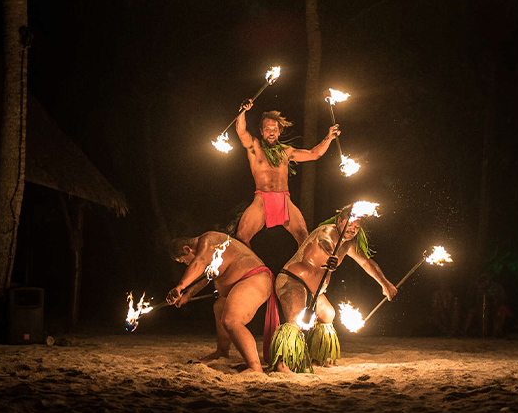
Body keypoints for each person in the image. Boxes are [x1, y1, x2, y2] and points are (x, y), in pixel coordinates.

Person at [268, 205, 398, 373]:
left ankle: (319, 357)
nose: (353, 229)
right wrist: (331, 256)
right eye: (349, 224)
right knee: (296, 318)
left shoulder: (349, 245)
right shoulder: (327, 231)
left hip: (315, 291)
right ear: (339, 221)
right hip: (293, 280)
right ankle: (283, 363)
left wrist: (385, 283)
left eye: (356, 227)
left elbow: (367, 263)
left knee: (328, 314)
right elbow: (324, 241)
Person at [167, 232, 280, 373]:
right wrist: (188, 295)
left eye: (184, 261)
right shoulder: (208, 252)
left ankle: (255, 367)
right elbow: (206, 276)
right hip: (241, 284)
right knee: (219, 307)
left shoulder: (208, 240)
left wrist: (180, 286)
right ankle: (222, 351)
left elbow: (199, 263)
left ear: (187, 249)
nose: (187, 264)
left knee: (231, 320)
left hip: (254, 278)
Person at [234, 99, 340, 248]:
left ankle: (301, 270)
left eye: (274, 129)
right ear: (261, 131)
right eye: (267, 129)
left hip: (284, 200)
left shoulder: (286, 152)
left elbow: (314, 154)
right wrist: (243, 111)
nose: (271, 132)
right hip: (261, 200)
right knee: (241, 238)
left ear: (279, 131)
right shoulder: (255, 148)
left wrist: (329, 137)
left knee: (304, 237)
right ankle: (253, 270)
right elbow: (241, 131)